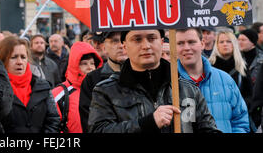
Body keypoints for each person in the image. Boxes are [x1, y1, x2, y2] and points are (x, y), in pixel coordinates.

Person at [89, 29, 219, 133]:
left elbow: (208, 129)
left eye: (152, 38)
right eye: (137, 39)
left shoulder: (188, 89)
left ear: (162, 42)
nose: (146, 46)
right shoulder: (106, 91)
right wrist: (148, 123)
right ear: (124, 45)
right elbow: (98, 130)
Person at [176, 28, 250, 133]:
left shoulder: (225, 80)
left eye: (191, 42)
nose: (186, 48)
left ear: (202, 44)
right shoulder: (168, 84)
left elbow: (240, 120)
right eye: (180, 43)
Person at [0, 36, 60, 133]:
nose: (19, 62)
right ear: (3, 59)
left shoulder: (43, 86)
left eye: (23, 57)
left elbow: (53, 119)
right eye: (13, 57)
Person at [79, 31, 127, 133]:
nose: (121, 46)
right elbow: (88, 122)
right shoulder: (92, 79)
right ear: (104, 47)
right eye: (115, 41)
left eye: (124, 40)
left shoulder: (145, 74)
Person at [52, 41, 102, 133]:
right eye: (84, 63)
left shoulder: (102, 90)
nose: (90, 67)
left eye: (92, 63)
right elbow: (51, 126)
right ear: (74, 65)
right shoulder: (58, 94)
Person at [209, 30, 253, 107]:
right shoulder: (209, 66)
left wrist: (241, 106)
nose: (225, 44)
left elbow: (249, 94)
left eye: (229, 41)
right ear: (217, 45)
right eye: (221, 42)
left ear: (234, 44)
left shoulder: (242, 66)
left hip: (238, 112)